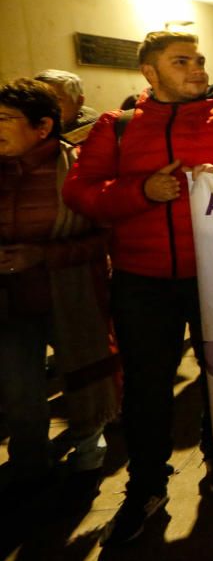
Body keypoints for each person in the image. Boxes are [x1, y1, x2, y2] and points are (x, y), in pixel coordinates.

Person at [62, 31, 213, 545]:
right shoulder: (119, 128)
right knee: (147, 390)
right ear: (150, 74)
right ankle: (146, 485)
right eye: (181, 61)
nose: (196, 68)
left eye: (198, 59)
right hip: (142, 282)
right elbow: (81, 193)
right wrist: (142, 192)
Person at [0, 79, 117, 490]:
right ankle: (28, 467)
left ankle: (87, 451)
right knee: (19, 392)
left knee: (84, 376)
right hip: (10, 306)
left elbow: (105, 235)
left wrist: (42, 256)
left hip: (70, 296)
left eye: (5, 119)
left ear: (43, 127)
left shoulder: (78, 171)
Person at [33, 69, 100, 144]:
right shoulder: (27, 125)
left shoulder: (97, 136)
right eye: (39, 100)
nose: (44, 107)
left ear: (79, 101)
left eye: (56, 100)